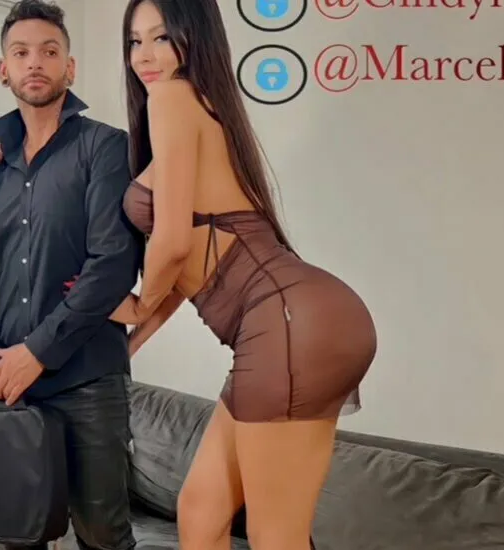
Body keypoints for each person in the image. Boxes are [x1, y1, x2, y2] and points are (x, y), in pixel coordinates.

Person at [110, 0, 379, 548]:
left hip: (284, 322)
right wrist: (130, 341)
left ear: (194, 36)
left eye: (161, 37)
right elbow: (188, 262)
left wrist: (136, 303)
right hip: (305, 316)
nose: (144, 56)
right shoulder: (208, 110)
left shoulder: (173, 97)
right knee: (200, 512)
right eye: (135, 41)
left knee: (275, 535)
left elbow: (172, 242)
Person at [0, 1, 141, 549]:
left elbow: (112, 265)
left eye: (49, 51)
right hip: (8, 386)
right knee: (17, 536)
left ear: (69, 68)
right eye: (21, 52)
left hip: (88, 382)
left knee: (104, 538)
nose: (35, 62)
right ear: (4, 70)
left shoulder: (105, 148)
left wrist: (36, 353)